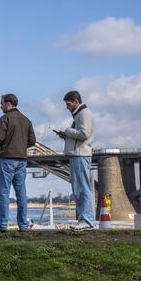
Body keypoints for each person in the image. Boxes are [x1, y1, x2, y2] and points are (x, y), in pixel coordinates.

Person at [0, 93, 36, 232]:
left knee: (3, 192)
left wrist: (4, 145)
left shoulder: (5, 118)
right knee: (21, 192)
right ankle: (23, 225)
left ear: (8, 104)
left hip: (7, 159)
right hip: (22, 160)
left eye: (2, 103)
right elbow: (32, 141)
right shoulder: (26, 120)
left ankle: (2, 225)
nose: (0, 106)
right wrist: (20, 146)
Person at [55, 91, 96, 231]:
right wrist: (67, 136)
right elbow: (79, 135)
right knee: (78, 189)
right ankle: (83, 219)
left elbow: (85, 134)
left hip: (80, 155)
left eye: (68, 104)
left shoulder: (84, 114)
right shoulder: (79, 114)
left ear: (76, 101)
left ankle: (87, 220)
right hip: (77, 154)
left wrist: (67, 131)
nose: (67, 107)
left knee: (83, 188)